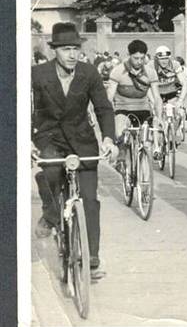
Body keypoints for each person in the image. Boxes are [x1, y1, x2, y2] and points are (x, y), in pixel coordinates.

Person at [32, 22, 118, 280]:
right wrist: (27, 141)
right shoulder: (37, 74)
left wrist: (108, 139)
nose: (72, 54)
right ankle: (50, 214)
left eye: (76, 49)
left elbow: (103, 108)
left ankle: (91, 258)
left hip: (82, 141)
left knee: (90, 200)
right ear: (54, 50)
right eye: (66, 49)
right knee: (49, 173)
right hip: (50, 138)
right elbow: (21, 107)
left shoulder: (89, 73)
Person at [105, 40, 164, 163]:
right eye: (136, 58)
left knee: (150, 137)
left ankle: (145, 162)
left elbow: (157, 97)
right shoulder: (118, 71)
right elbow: (109, 97)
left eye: (142, 58)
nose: (139, 62)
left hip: (143, 109)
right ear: (128, 55)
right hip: (123, 109)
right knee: (120, 130)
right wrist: (109, 118)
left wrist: (159, 117)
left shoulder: (150, 72)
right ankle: (122, 158)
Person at [152, 46, 187, 141]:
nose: (164, 61)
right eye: (161, 59)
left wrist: (180, 101)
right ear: (157, 58)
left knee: (179, 114)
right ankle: (157, 143)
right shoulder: (152, 65)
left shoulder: (175, 64)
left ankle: (171, 134)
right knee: (156, 116)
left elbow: (185, 84)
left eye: (166, 58)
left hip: (171, 93)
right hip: (157, 94)